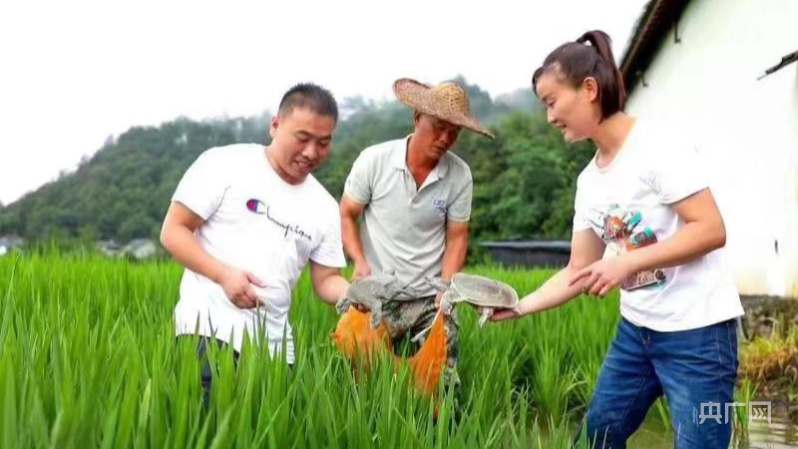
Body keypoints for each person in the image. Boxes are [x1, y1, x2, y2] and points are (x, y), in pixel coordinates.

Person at [491, 30, 744, 449]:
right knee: (595, 440)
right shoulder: (589, 182)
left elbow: (710, 228)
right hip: (636, 335)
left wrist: (625, 262)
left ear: (589, 89)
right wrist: (518, 306)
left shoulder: (656, 146)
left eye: (552, 101)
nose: (549, 117)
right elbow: (577, 269)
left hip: (698, 334)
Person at [160, 82, 350, 403]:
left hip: (276, 352)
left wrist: (358, 296)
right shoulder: (224, 164)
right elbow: (174, 231)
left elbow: (326, 279)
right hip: (208, 332)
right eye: (302, 138)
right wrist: (223, 275)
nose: (311, 152)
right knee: (208, 426)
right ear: (275, 125)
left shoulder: (324, 207)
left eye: (323, 143)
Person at [340, 78, 495, 399]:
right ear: (417, 118)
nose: (445, 138)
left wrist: (446, 287)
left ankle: (439, 423)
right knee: (358, 374)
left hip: (429, 298)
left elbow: (457, 237)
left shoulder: (459, 175)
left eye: (454, 132)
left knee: (439, 383)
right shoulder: (375, 160)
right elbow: (347, 213)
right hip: (378, 294)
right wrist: (359, 261)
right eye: (439, 127)